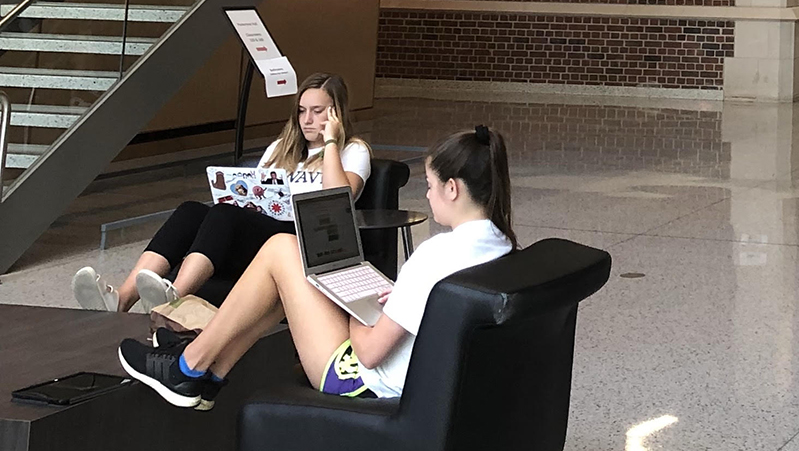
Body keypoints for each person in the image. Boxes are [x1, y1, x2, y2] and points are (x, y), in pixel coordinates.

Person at [117, 125, 515, 410]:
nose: (427, 195)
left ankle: (190, 365)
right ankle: (206, 368)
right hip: (435, 378)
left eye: (430, 185)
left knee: (280, 249)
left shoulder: (435, 257)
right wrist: (393, 298)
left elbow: (371, 352)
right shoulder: (501, 245)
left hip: (366, 382)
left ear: (453, 188)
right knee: (288, 270)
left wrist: (358, 306)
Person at [73, 73, 370, 314]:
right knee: (191, 210)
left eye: (317, 112)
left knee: (225, 215)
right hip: (263, 231)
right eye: (302, 111)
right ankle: (122, 299)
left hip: (302, 241)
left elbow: (339, 200)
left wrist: (331, 142)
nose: (307, 119)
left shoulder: (353, 150)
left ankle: (176, 293)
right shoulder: (282, 148)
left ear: (336, 113)